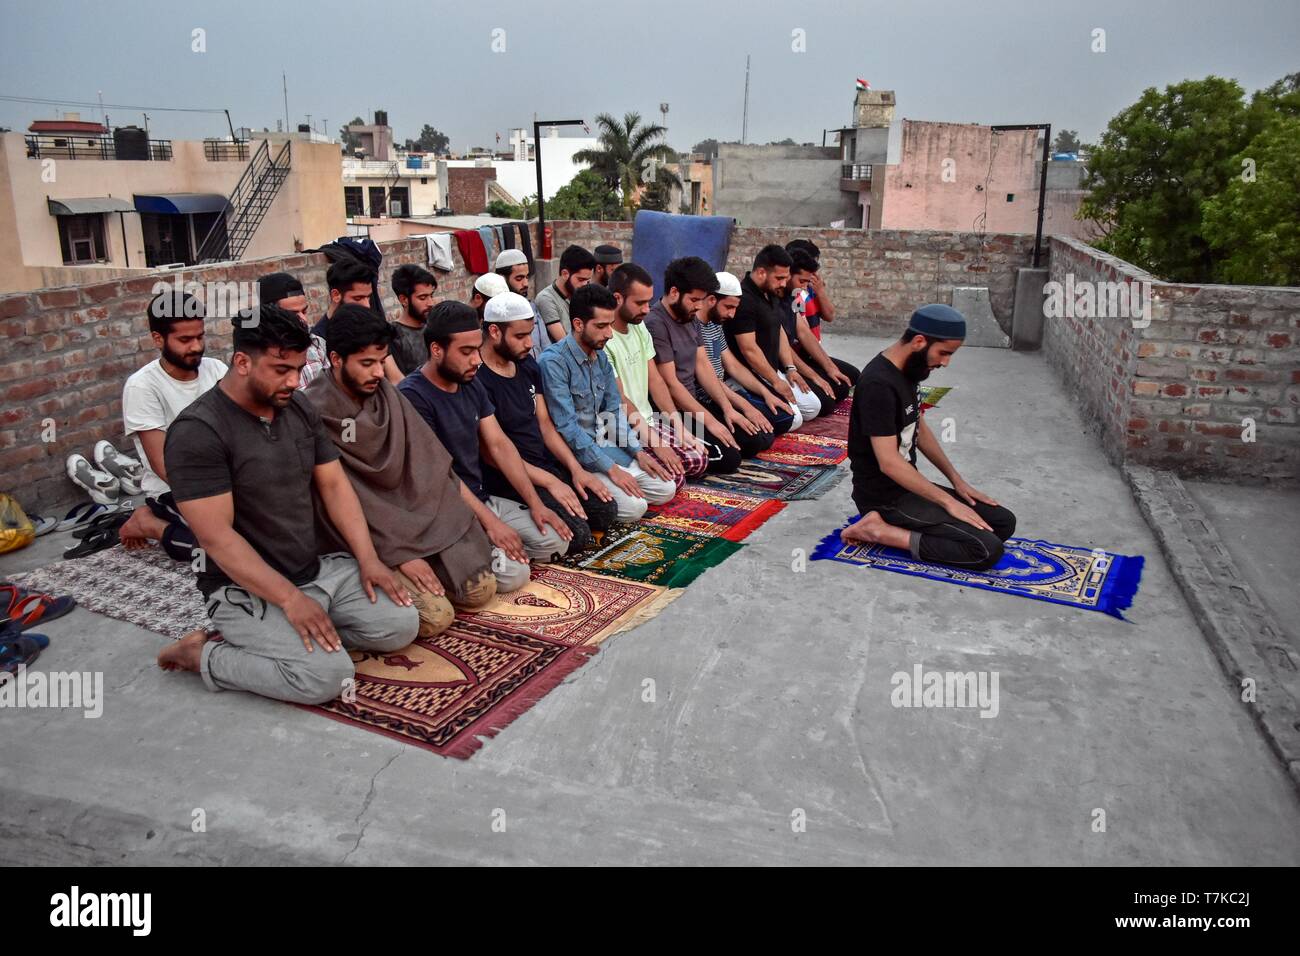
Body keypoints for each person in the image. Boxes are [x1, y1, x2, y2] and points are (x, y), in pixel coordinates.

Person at [157, 304, 418, 705]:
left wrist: (367, 559)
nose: (294, 381)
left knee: (400, 625)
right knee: (325, 678)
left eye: (298, 369)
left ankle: (300, 631)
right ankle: (202, 654)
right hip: (245, 587)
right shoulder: (198, 432)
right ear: (242, 362)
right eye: (281, 370)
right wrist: (290, 600)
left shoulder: (296, 407)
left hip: (315, 571)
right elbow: (217, 539)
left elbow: (334, 485)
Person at [303, 305, 507, 636]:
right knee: (434, 619)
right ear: (337, 359)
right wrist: (396, 555)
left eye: (381, 362)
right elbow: (337, 498)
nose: (378, 373)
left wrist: (486, 521)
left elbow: (433, 469)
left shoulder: (388, 396)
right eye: (366, 364)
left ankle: (424, 572)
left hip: (416, 521)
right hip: (365, 538)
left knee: (480, 589)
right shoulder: (314, 411)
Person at [398, 301, 573, 567]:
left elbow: (499, 445)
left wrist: (536, 503)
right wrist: (491, 524)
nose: (476, 360)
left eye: (476, 350)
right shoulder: (414, 396)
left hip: (482, 497)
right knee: (512, 574)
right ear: (436, 350)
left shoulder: (469, 382)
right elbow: (441, 475)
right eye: (466, 352)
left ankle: (496, 548)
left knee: (555, 541)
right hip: (446, 509)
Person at [842, 304, 1016, 570]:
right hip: (884, 498)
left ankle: (913, 524)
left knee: (1002, 523)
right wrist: (947, 503)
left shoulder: (910, 370)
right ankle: (878, 530)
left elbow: (917, 426)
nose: (945, 362)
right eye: (943, 353)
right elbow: (888, 462)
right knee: (985, 549)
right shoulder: (879, 384)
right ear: (919, 341)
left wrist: (958, 482)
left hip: (908, 487)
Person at [478, 291, 619, 551]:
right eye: (520, 336)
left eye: (530, 334)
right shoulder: (478, 379)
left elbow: (545, 426)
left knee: (606, 510)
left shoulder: (528, 367)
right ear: (495, 332)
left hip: (543, 463)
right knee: (575, 535)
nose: (529, 343)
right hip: (510, 474)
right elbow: (493, 453)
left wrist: (575, 470)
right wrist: (550, 482)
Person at [538, 283, 677, 522]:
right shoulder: (553, 362)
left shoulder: (600, 357)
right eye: (601, 326)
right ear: (578, 324)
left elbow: (613, 412)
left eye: (610, 325)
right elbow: (568, 428)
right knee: (635, 508)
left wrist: (638, 451)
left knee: (666, 488)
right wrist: (611, 469)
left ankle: (624, 487)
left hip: (604, 444)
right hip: (575, 456)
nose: (609, 334)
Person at [118, 289, 227, 557]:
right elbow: (163, 464)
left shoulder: (217, 370)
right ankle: (149, 523)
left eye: (200, 336)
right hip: (174, 489)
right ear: (158, 339)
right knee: (214, 550)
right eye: (185, 339)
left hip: (225, 479)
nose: (196, 346)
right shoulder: (143, 386)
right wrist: (212, 502)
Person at [644, 257, 771, 470]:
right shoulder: (656, 324)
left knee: (759, 437)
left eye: (702, 300)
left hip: (694, 403)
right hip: (670, 410)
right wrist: (711, 422)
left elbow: (703, 366)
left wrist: (727, 408)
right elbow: (671, 385)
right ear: (674, 292)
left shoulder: (690, 317)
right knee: (729, 458)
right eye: (694, 299)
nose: (699, 306)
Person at [603, 262, 702, 483]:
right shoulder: (604, 337)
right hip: (623, 424)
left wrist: (679, 426)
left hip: (650, 419)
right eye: (640, 303)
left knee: (698, 459)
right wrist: (656, 443)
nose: (647, 309)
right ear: (618, 298)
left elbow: (655, 380)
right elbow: (620, 399)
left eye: (648, 302)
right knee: (673, 478)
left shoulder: (639, 326)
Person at [725, 244, 823, 425]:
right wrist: (775, 381)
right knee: (793, 420)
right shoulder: (745, 299)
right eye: (779, 278)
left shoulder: (772, 293)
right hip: (749, 372)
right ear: (761, 272)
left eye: (786, 278)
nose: (784, 284)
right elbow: (749, 349)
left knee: (813, 407)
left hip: (772, 368)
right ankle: (742, 395)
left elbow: (779, 332)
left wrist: (790, 368)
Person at [700, 271, 798, 436]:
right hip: (705, 398)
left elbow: (732, 365)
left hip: (723, 390)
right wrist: (745, 407)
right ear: (711, 300)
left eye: (735, 308)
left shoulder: (715, 324)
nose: (732, 315)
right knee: (759, 437)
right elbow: (708, 380)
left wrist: (766, 393)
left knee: (784, 417)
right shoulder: (694, 328)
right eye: (728, 307)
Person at [781, 248, 856, 405]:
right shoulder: (778, 296)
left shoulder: (795, 294)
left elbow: (805, 332)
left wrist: (830, 367)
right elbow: (781, 347)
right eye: (801, 281)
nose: (804, 287)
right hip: (783, 362)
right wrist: (813, 375)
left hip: (801, 356)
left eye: (808, 281)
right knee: (825, 401)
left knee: (846, 380)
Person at [258, 272, 328, 390]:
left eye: (304, 312)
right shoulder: (260, 356)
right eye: (293, 314)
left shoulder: (316, 343)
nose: (304, 320)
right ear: (271, 314)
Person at [534, 244, 596, 343]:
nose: (585, 285)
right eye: (581, 279)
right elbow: (565, 343)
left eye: (588, 281)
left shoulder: (580, 294)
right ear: (565, 274)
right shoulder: (546, 299)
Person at [494, 248, 546, 360]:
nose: (526, 283)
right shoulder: (495, 314)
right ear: (503, 279)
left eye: (527, 277)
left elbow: (546, 346)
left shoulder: (531, 306)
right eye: (519, 278)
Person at [388, 263, 438, 376]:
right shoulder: (394, 336)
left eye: (431, 296)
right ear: (404, 299)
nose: (430, 303)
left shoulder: (435, 327)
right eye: (423, 298)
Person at [310, 258, 375, 339]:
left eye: (368, 297)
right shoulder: (319, 342)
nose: (367, 305)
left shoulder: (371, 329)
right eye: (358, 298)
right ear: (336, 295)